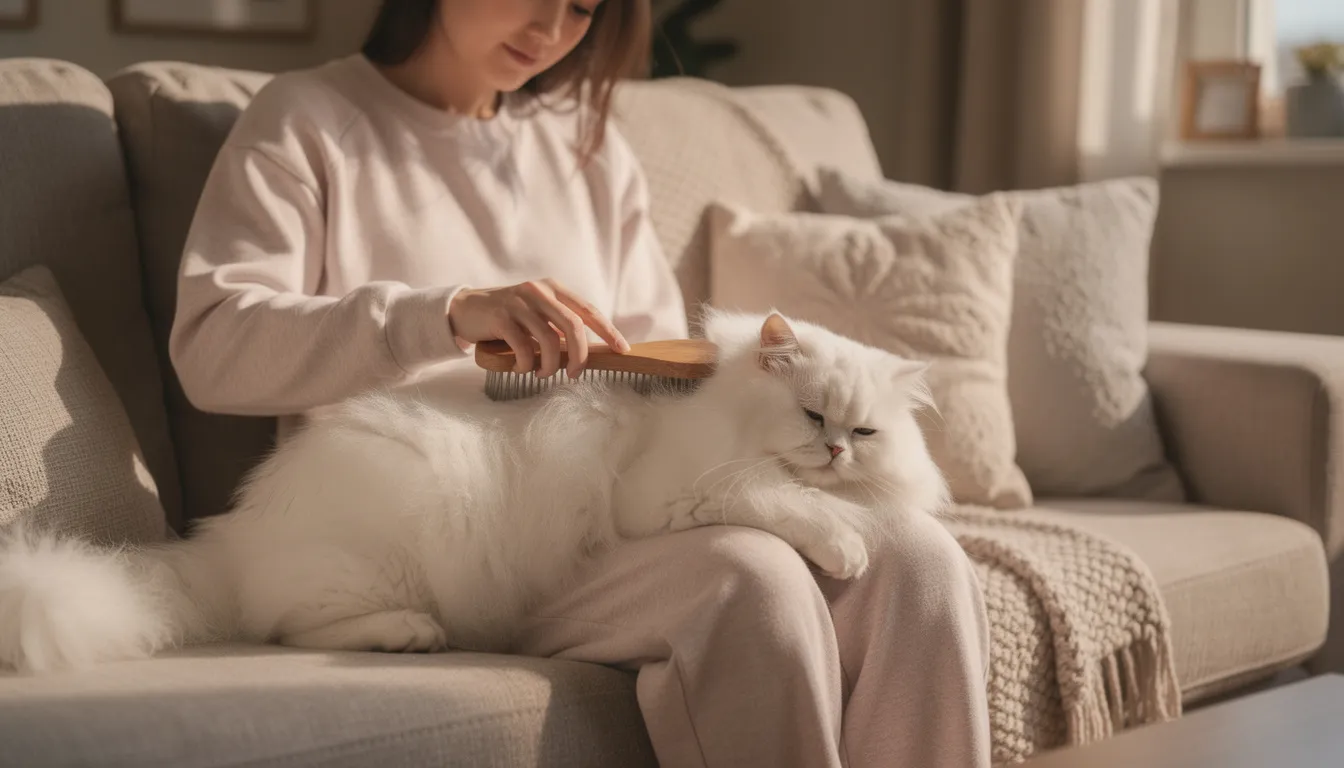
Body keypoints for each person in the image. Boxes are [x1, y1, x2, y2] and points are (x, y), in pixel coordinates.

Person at [169, 1, 993, 765]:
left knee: (923, 561)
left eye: (583, 8)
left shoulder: (588, 149)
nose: (553, 28)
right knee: (753, 586)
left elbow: (668, 370)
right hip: (461, 540)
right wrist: (445, 317)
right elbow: (213, 346)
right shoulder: (305, 119)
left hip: (621, 505)